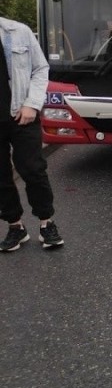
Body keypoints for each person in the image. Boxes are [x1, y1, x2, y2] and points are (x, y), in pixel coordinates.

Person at [0, 16, 63, 252]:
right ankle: (15, 227)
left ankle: (47, 223)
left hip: (21, 114)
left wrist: (32, 104)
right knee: (1, 177)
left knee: (33, 170)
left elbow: (40, 68)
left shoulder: (17, 31)